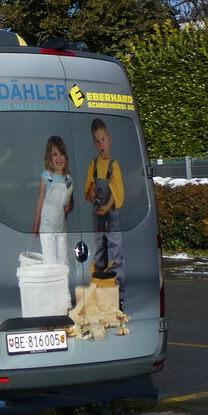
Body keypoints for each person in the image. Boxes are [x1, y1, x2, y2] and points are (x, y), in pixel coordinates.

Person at [84, 118, 125, 299]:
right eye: (97, 141)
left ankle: (118, 289)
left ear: (109, 140)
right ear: (94, 143)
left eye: (103, 140)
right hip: (98, 214)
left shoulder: (114, 165)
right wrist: (95, 200)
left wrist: (107, 207)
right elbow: (90, 187)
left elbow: (117, 191)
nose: (101, 144)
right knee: (99, 249)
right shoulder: (93, 165)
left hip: (111, 213)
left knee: (115, 248)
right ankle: (98, 286)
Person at [32, 135, 74, 265]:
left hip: (61, 227)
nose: (59, 158)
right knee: (50, 261)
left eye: (61, 154)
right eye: (55, 154)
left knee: (63, 261)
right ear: (49, 158)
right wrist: (36, 223)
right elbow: (41, 199)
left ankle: (63, 278)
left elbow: (69, 203)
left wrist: (69, 207)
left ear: (66, 157)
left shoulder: (68, 180)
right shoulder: (47, 176)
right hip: (47, 227)